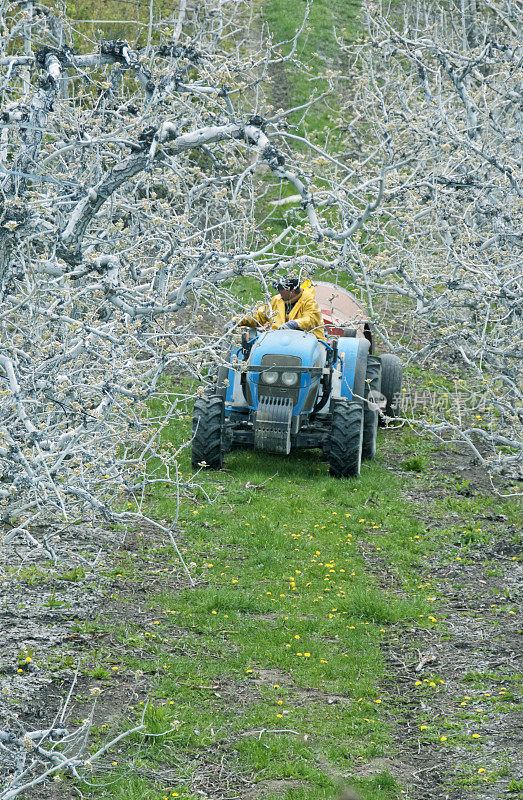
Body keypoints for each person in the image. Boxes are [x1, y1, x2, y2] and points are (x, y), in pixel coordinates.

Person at [236, 275, 326, 342]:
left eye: (281, 291)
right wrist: (238, 320)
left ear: (292, 291)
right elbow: (259, 316)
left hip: (308, 341)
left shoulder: (309, 302)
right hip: (279, 341)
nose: (279, 293)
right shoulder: (277, 300)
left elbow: (311, 319)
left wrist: (294, 324)